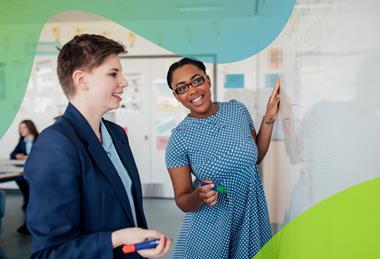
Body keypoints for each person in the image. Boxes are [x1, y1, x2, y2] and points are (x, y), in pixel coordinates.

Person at [24, 34, 171, 258]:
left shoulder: (116, 134)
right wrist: (117, 239)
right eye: (113, 73)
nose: (124, 82)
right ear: (82, 80)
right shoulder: (55, 145)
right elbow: (50, 253)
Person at [165, 58, 280, 258]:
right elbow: (182, 199)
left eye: (197, 80)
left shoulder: (237, 110)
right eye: (182, 88)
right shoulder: (180, 137)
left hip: (250, 213)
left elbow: (255, 157)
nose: (192, 91)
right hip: (212, 225)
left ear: (208, 81)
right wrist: (198, 195)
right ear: (176, 96)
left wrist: (268, 119)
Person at [10, 119, 39, 234]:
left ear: (30, 128)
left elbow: (43, 155)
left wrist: (29, 157)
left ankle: (29, 204)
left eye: (23, 128)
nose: (21, 130)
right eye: (20, 128)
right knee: (20, 180)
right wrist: (18, 155)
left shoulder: (39, 138)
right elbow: (12, 154)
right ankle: (27, 199)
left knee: (28, 186)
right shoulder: (22, 140)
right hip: (24, 170)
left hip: (36, 171)